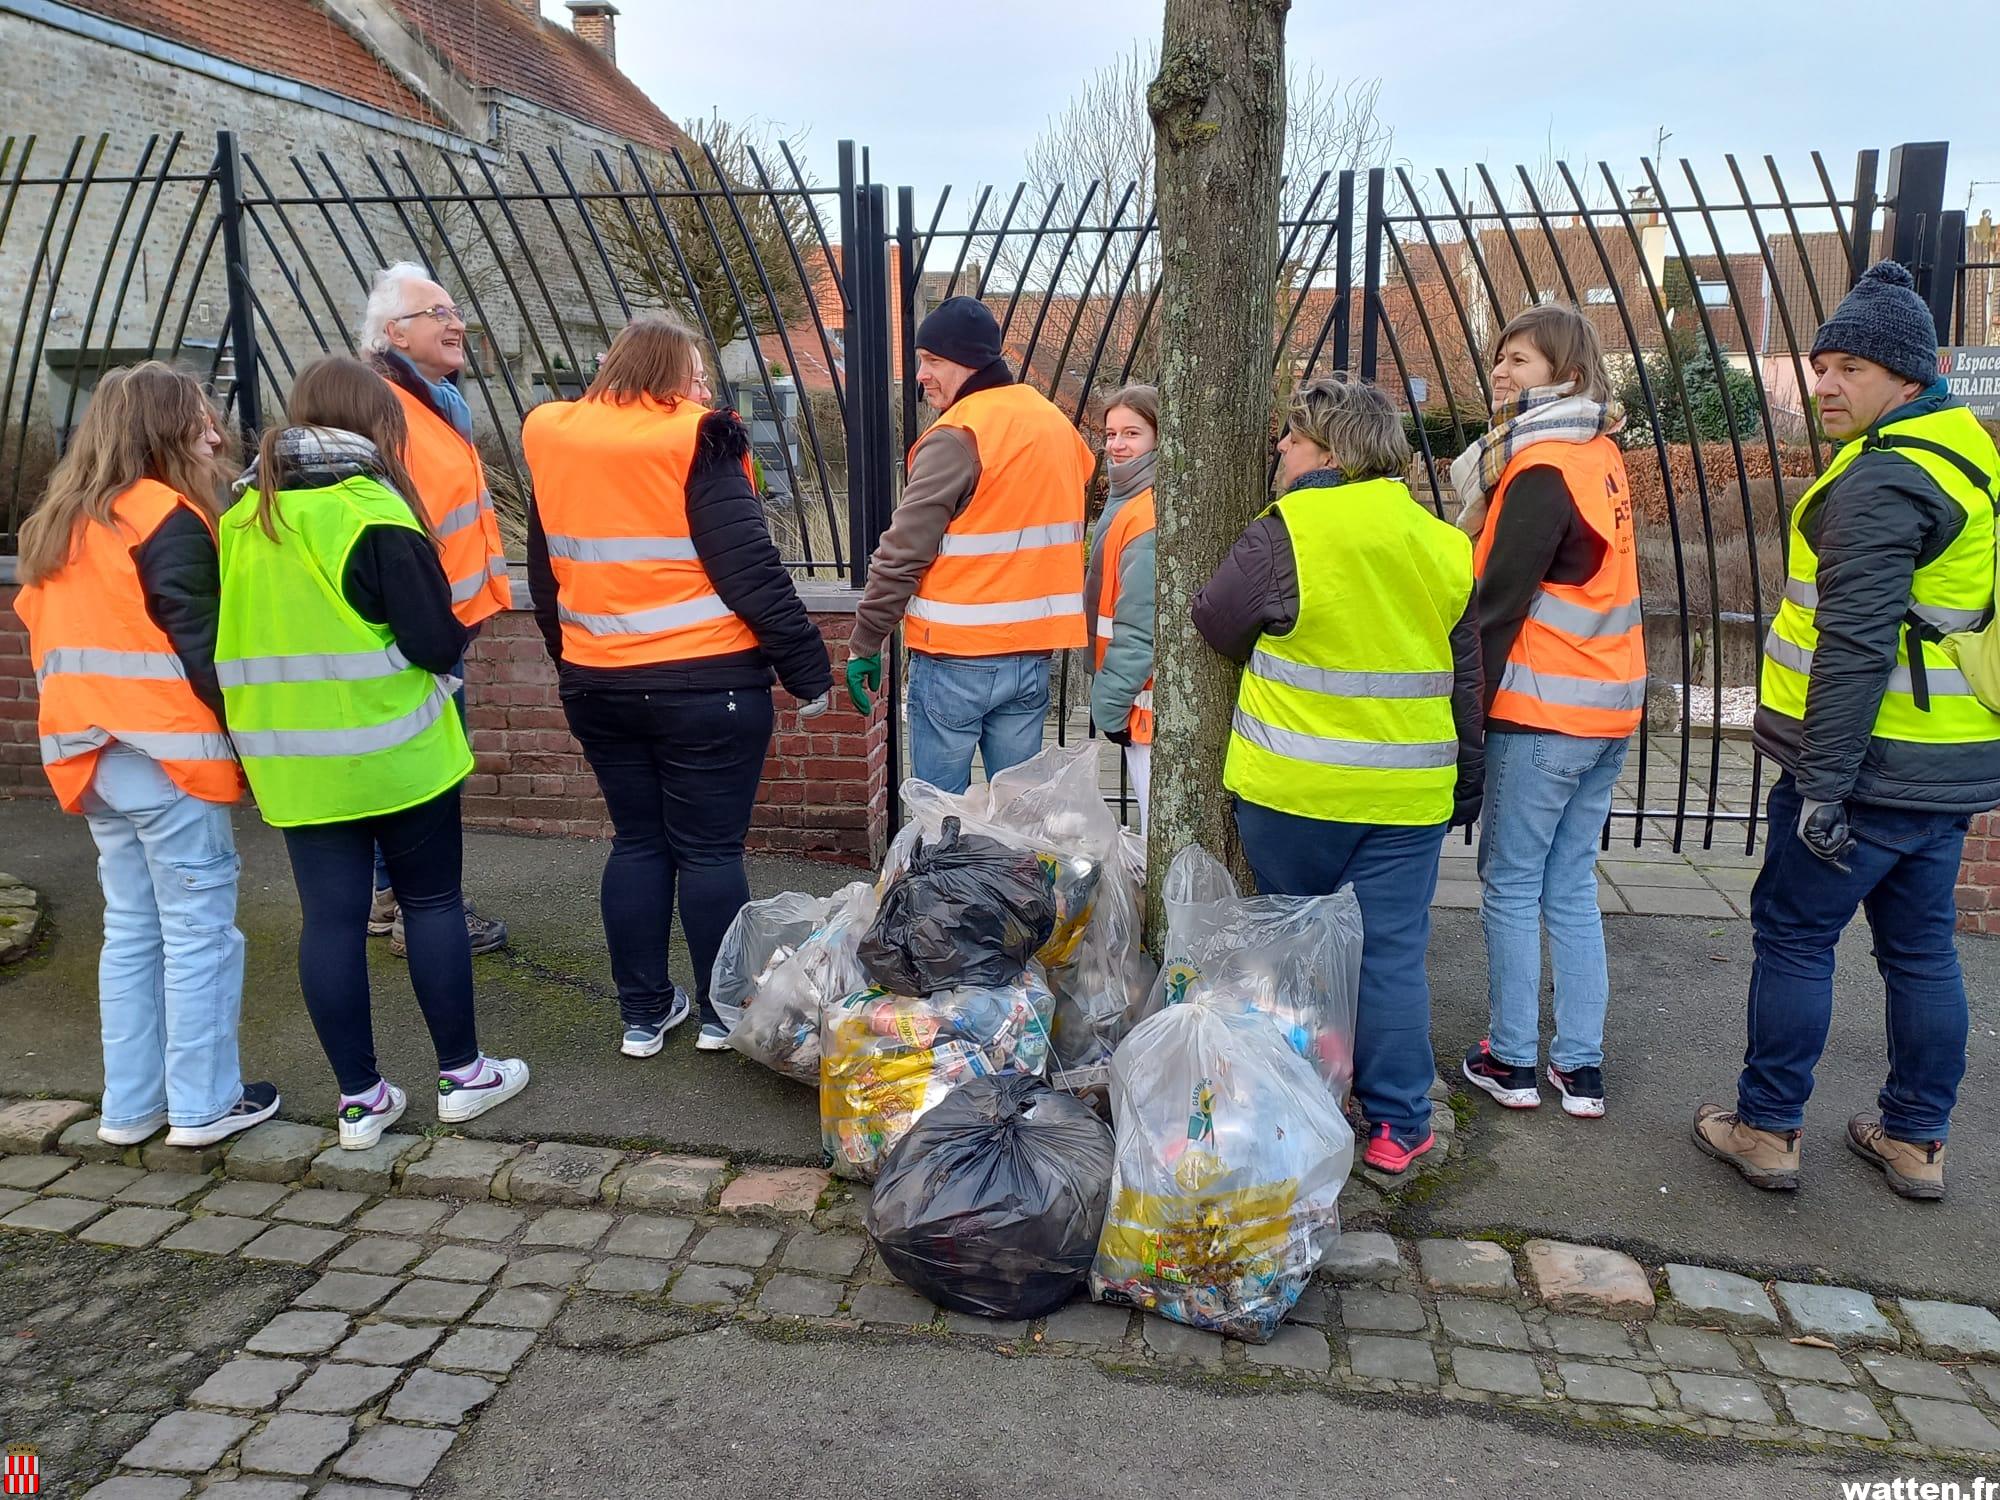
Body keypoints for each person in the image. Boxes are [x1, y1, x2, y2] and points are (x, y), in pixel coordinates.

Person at [1695, 261, 2000, 1202]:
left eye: (1853, 369)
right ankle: (1915, 1140)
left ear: (1909, 379)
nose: (1826, 384)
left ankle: (1766, 1127)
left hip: (1867, 767)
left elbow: (1858, 643)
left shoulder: (1886, 479)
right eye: (1822, 365)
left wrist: (1825, 784)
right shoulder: (1969, 452)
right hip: (1947, 765)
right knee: (1921, 952)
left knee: (1793, 939)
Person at [217, 356, 530, 1149]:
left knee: (328, 920)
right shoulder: (376, 511)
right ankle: (463, 1077)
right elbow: (432, 642)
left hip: (293, 761)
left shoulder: (243, 519)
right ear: (377, 425)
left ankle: (359, 1102)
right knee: (429, 905)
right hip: (397, 753)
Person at [1194, 375, 1484, 1175]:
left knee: (1294, 945)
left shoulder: (1287, 529)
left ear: (1328, 446)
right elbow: (1465, 671)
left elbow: (1218, 622)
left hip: (1294, 791)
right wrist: (1470, 779)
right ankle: (1399, 1124)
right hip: (1406, 797)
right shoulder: (1438, 540)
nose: (1279, 450)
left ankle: (1298, 1096)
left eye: (1290, 437)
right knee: (1390, 955)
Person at [523, 316, 831, 1056]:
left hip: (599, 683)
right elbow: (749, 569)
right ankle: (725, 1015)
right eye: (695, 374)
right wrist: (806, 668)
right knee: (709, 852)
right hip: (705, 685)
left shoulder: (554, 437)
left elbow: (545, 571)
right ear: (669, 377)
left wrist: (570, 659)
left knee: (636, 844)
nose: (702, 389)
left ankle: (643, 1014)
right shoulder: (697, 438)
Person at [15, 362, 278, 1149]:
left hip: (89, 757)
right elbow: (206, 649)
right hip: (169, 755)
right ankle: (203, 1105)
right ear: (165, 427)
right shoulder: (165, 516)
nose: (216, 430)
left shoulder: (55, 524)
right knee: (199, 932)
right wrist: (260, 751)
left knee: (131, 930)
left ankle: (129, 1109)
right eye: (200, 416)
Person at [1452, 304, 1643, 1121]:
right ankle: (1581, 1069)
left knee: (1510, 883)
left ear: (1563, 372)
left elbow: (1495, 604)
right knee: (1569, 886)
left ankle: (1511, 1059)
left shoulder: (1538, 469)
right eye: (1500, 358)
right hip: (1608, 706)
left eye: (1520, 361)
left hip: (1542, 708)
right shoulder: (1600, 453)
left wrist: (1465, 712)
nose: (1501, 371)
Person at [844, 296, 1094, 794]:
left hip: (957, 656)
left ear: (969, 361)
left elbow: (904, 550)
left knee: (941, 816)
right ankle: (1014, 877)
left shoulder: (960, 434)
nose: (921, 374)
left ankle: (947, 874)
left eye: (933, 361)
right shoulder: (1055, 425)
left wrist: (866, 640)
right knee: (1018, 815)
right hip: (1032, 655)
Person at [360, 262, 510, 956]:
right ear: (395, 332)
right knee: (426, 770)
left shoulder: (435, 401)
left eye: (456, 311)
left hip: (445, 617)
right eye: (437, 313)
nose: (456, 323)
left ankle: (397, 900)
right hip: (416, 623)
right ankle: (418, 910)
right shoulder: (383, 407)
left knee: (430, 763)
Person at [1087, 384, 1158, 829]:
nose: (1116, 445)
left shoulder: (1144, 512)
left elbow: (1139, 623)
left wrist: (1109, 706)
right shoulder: (1130, 501)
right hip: (1139, 704)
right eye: (1111, 434)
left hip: (1144, 709)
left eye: (1131, 433)